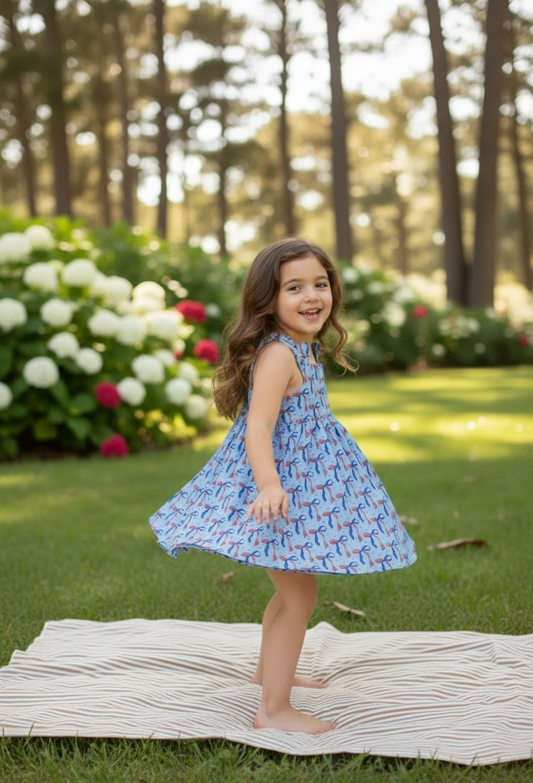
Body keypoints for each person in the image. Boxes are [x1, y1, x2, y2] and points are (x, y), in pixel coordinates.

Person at [149, 237, 417, 735]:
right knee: (299, 597)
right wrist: (269, 485)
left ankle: (269, 675)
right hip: (279, 488)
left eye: (320, 284)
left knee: (292, 592)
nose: (311, 295)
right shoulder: (278, 353)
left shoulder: (301, 346)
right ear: (267, 300)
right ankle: (273, 710)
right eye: (294, 287)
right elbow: (258, 426)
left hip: (304, 485)